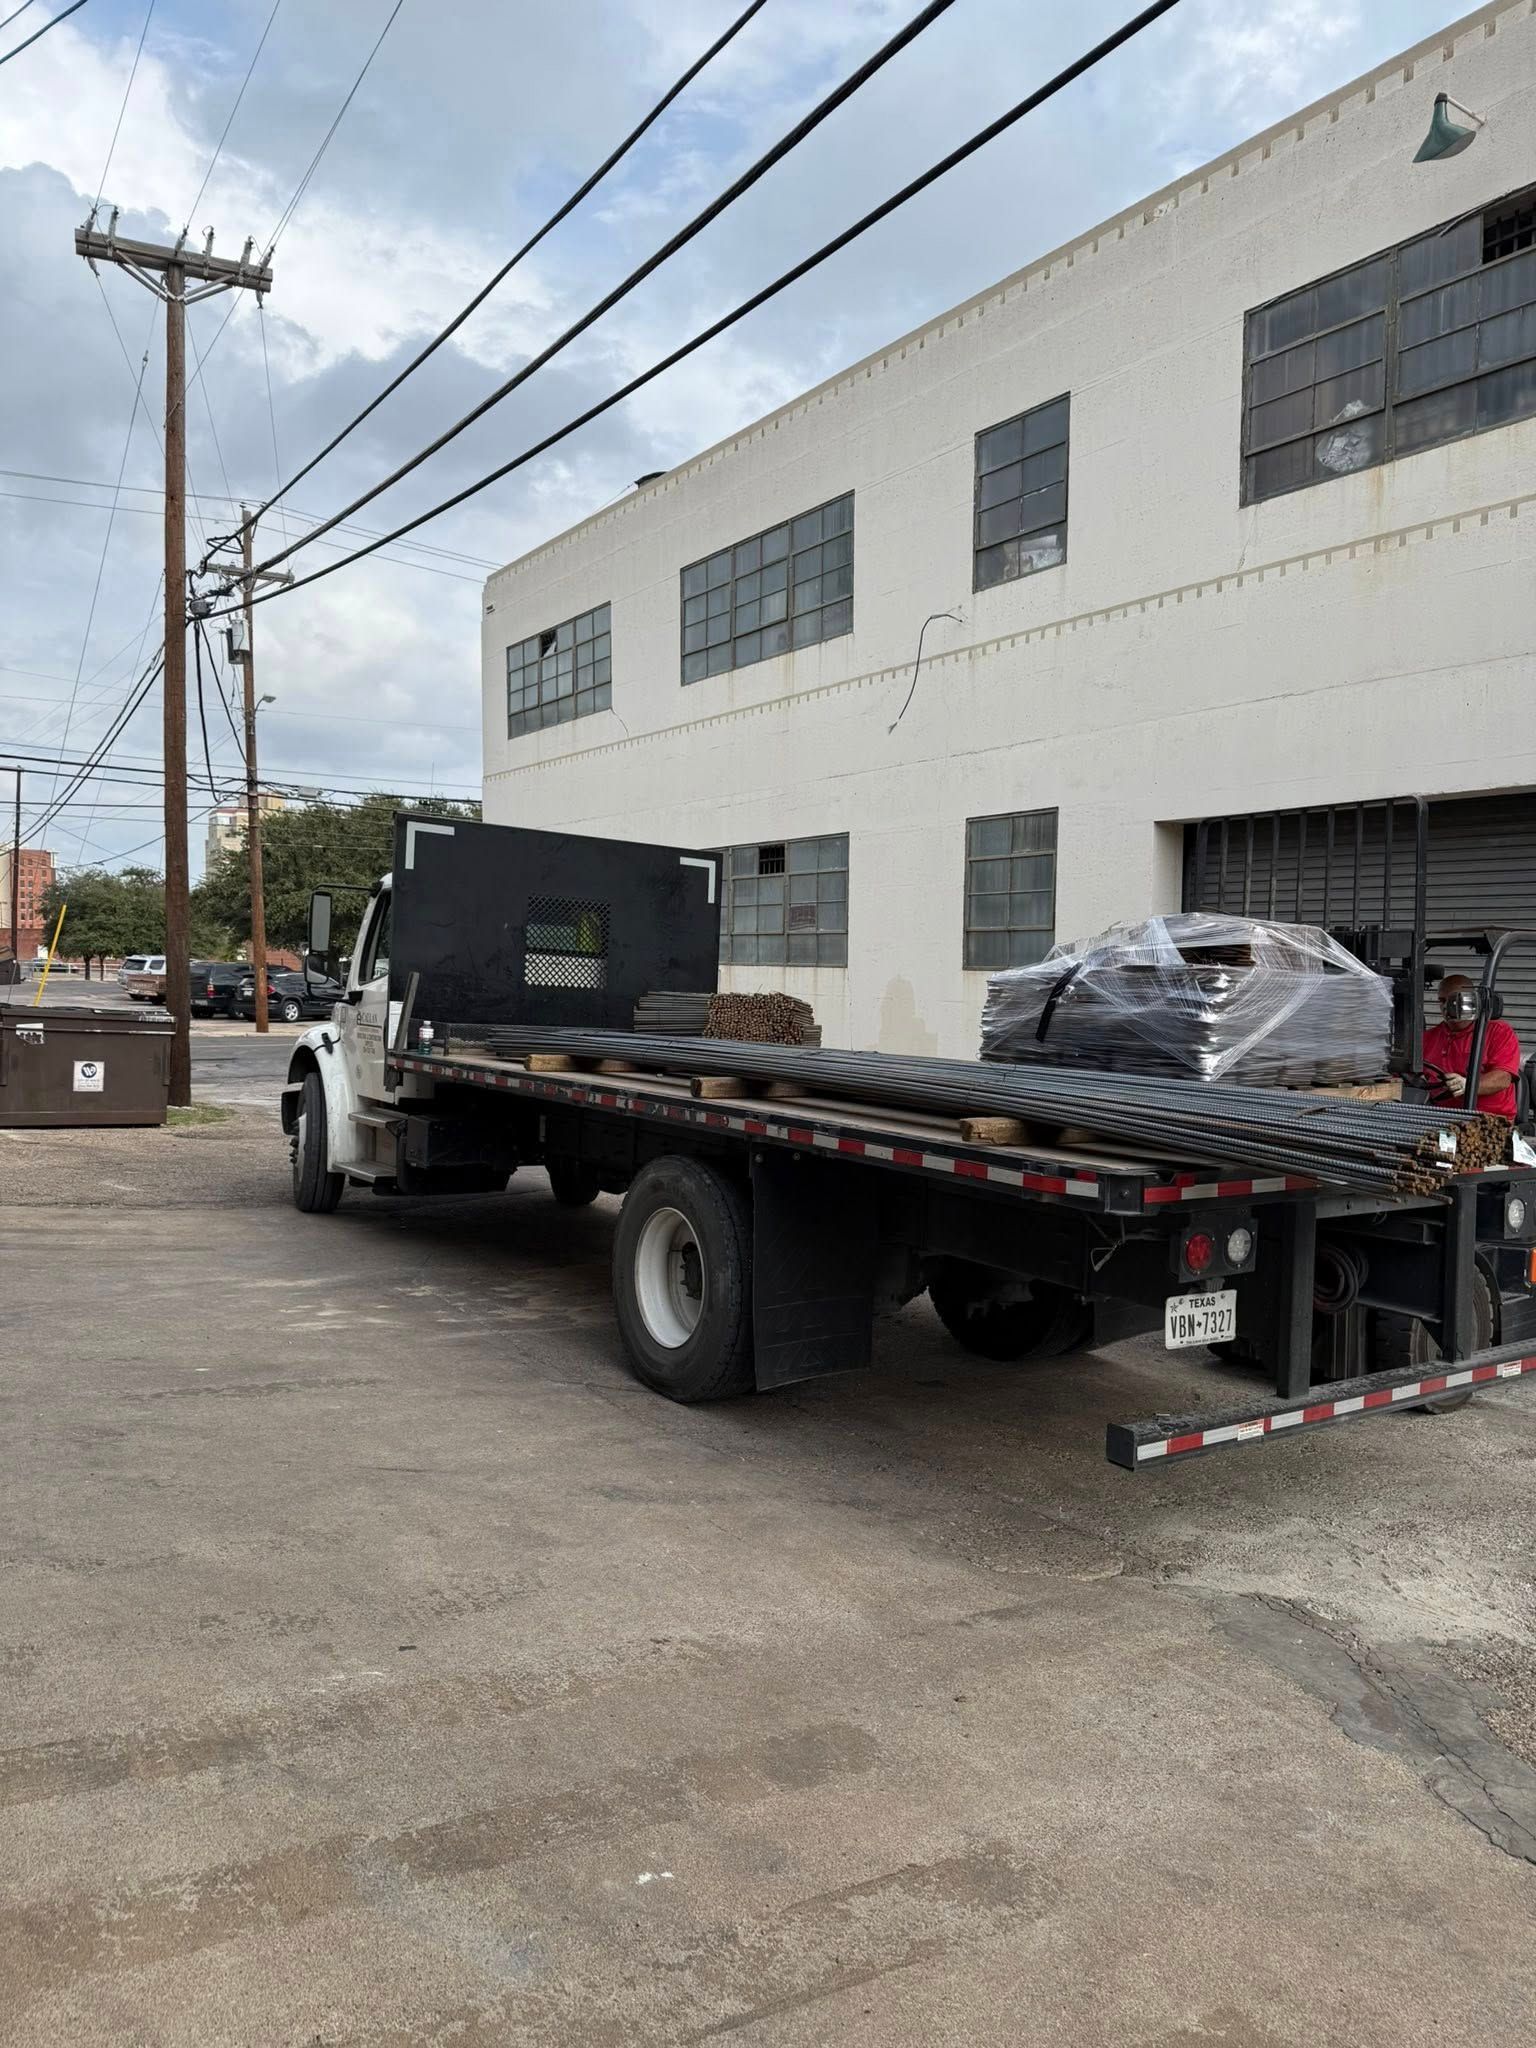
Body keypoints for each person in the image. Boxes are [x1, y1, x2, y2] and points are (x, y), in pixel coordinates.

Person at [1422, 975, 1521, 1120]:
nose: (1446, 1007)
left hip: (1490, 1120)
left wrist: (1468, 1085)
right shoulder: (1428, 1037)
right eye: (1442, 1001)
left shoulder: (1498, 1032)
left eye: (1454, 1001)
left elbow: (1503, 1078)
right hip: (1440, 1117)